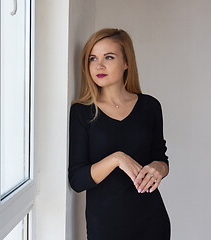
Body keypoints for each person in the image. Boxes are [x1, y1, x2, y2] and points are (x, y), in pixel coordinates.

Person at [68, 28, 170, 240]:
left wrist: (158, 168)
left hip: (151, 221)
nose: (99, 65)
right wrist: (117, 158)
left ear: (126, 63)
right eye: (92, 58)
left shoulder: (150, 106)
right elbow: (78, 180)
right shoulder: (82, 111)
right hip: (105, 226)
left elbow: (161, 158)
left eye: (109, 57)